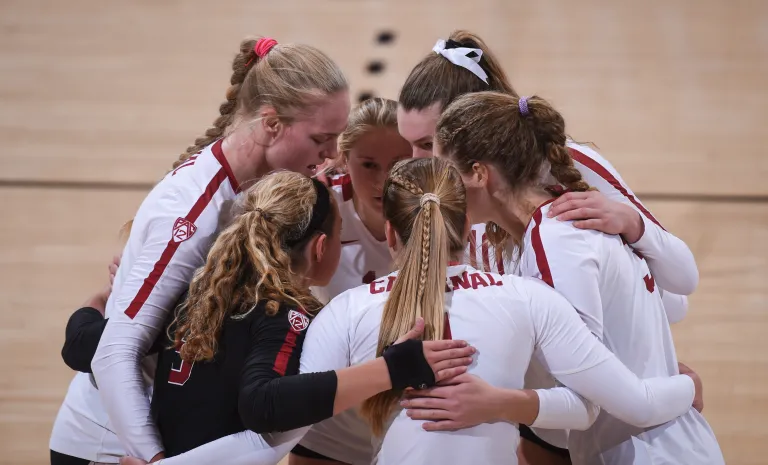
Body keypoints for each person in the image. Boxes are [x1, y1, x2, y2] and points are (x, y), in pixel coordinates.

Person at [139, 157, 702, 465]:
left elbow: (277, 431)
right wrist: (680, 384)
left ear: (389, 231)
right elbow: (586, 410)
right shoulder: (529, 297)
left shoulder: (347, 312)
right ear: (468, 224)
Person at [50, 36, 351, 465]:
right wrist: (155, 460)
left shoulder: (262, 189)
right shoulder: (193, 215)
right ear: (270, 124)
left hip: (178, 434)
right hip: (115, 442)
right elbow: (115, 352)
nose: (332, 154)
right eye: (322, 138)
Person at [61, 171, 474, 464]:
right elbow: (262, 404)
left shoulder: (197, 292)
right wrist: (391, 368)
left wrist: (100, 299)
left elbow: (83, 347)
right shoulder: (282, 313)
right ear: (320, 247)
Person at [414, 91, 724, 464]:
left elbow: (590, 401)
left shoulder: (555, 240)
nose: (442, 188)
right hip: (669, 444)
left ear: (479, 173)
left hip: (646, 452)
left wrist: (494, 403)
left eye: (447, 172)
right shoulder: (562, 224)